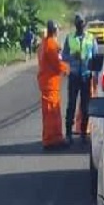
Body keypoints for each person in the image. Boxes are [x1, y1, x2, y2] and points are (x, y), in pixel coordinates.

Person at [62, 14, 99, 145]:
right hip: (73, 75)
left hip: (86, 75)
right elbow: (64, 56)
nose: (80, 26)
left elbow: (95, 57)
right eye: (78, 24)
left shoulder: (90, 38)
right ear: (75, 25)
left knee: (85, 106)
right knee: (71, 105)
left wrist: (96, 75)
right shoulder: (69, 38)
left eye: (82, 24)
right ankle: (68, 133)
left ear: (84, 25)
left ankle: (83, 133)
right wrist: (73, 56)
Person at [36, 20, 70, 151]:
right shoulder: (50, 45)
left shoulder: (45, 43)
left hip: (49, 82)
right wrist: (67, 69)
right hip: (50, 83)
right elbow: (57, 63)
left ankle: (55, 138)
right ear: (55, 31)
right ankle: (51, 140)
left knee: (53, 112)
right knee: (52, 112)